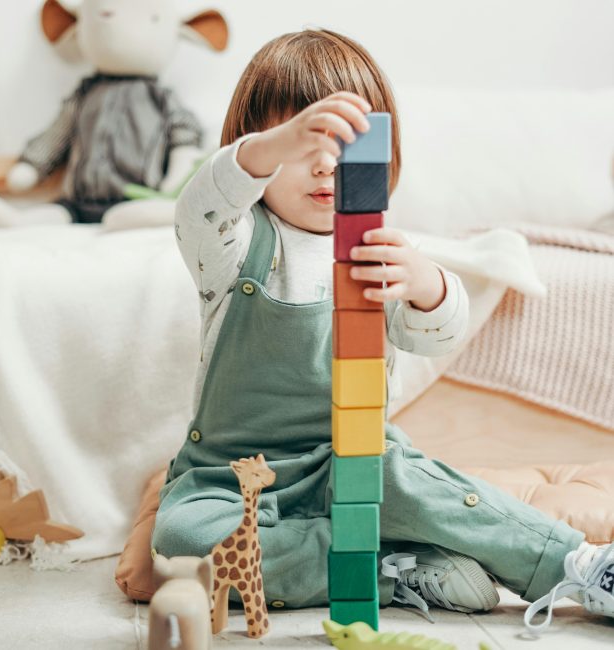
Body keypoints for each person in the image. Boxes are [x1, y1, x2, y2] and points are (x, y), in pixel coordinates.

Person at [151, 28, 613, 633]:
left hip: (352, 458)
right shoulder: (233, 245)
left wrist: (429, 285)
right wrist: (272, 146)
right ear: (256, 148)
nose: (323, 161)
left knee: (412, 480)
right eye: (303, 142)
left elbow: (436, 337)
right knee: (182, 538)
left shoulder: (376, 251)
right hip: (232, 475)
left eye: (343, 144)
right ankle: (396, 568)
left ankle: (578, 564)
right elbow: (199, 206)